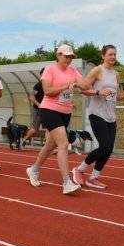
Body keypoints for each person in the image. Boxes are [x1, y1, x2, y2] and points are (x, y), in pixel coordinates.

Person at [71, 45, 124, 189]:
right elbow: (83, 90)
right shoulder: (97, 70)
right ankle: (79, 169)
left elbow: (117, 96)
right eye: (110, 54)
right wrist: (98, 92)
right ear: (103, 56)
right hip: (97, 113)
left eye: (115, 54)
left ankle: (93, 178)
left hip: (110, 116)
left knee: (109, 148)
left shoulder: (116, 74)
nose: (113, 57)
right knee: (105, 146)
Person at [26, 44, 86, 195]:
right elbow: (47, 91)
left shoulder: (73, 71)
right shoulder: (50, 69)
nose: (69, 59)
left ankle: (34, 169)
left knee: (50, 145)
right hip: (49, 110)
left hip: (65, 112)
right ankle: (66, 182)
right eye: (66, 56)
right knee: (63, 143)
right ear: (58, 55)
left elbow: (84, 85)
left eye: (71, 57)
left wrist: (90, 86)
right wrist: (66, 86)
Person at [22, 68, 45, 146]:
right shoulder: (38, 85)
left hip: (47, 110)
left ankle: (50, 146)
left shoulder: (50, 85)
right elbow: (31, 97)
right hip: (38, 110)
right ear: (41, 75)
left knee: (50, 128)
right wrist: (39, 105)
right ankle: (24, 140)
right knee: (35, 128)